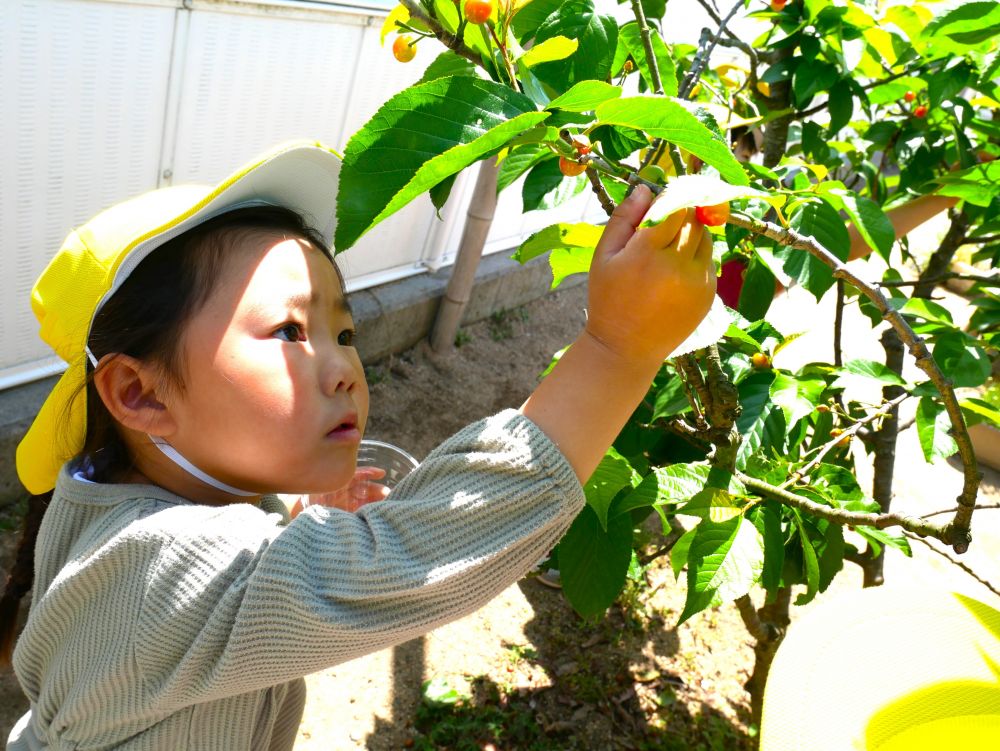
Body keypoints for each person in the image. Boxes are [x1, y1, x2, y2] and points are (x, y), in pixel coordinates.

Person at [0, 140, 716, 750]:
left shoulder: (120, 492)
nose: (344, 367)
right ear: (141, 394)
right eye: (290, 332)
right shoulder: (164, 569)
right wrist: (616, 349)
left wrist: (284, 513)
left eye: (344, 332)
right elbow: (416, 556)